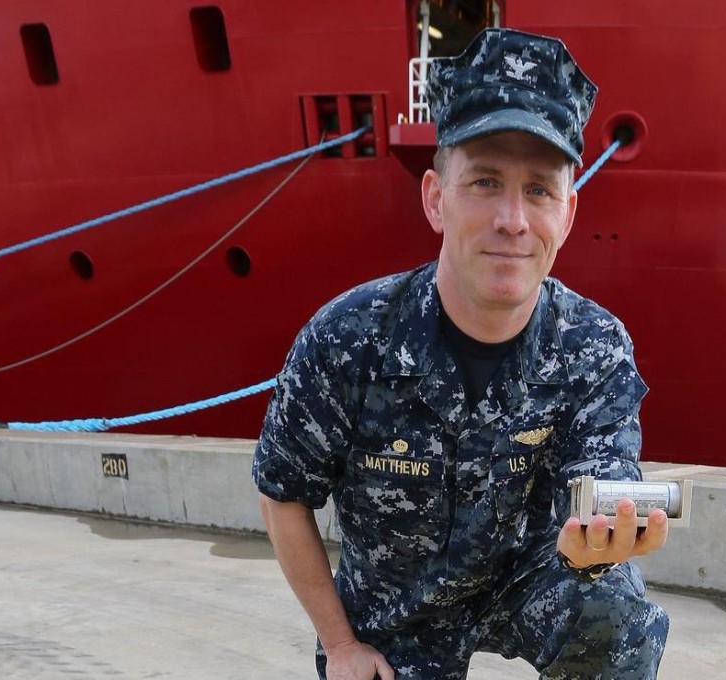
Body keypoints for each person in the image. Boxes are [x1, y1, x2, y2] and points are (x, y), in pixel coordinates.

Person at [253, 27, 670, 680]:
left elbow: (598, 492)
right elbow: (282, 492)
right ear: (434, 198)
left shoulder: (595, 345)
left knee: (614, 620)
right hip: (396, 604)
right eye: (484, 182)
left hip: (528, 578)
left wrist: (597, 548)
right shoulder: (349, 336)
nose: (512, 219)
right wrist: (339, 645)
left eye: (539, 190)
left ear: (568, 212)